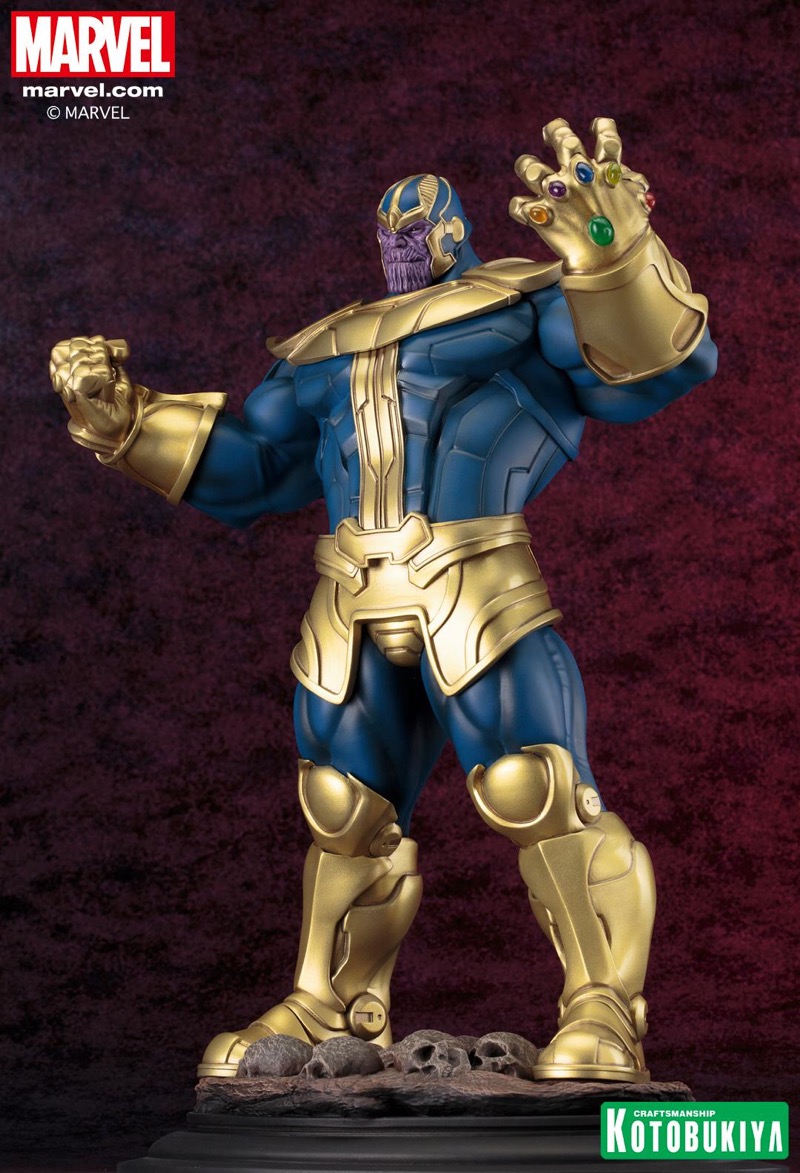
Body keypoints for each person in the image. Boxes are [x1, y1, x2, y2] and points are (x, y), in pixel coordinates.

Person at [50, 118, 717, 1084]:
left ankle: (603, 1006)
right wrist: (127, 423)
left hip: (476, 586)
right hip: (351, 602)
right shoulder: (327, 347)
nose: (404, 243)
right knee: (341, 805)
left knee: (535, 786)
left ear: (453, 231)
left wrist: (615, 260)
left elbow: (652, 369)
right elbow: (258, 464)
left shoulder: (520, 306)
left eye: (420, 227)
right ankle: (331, 1004)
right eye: (390, 231)